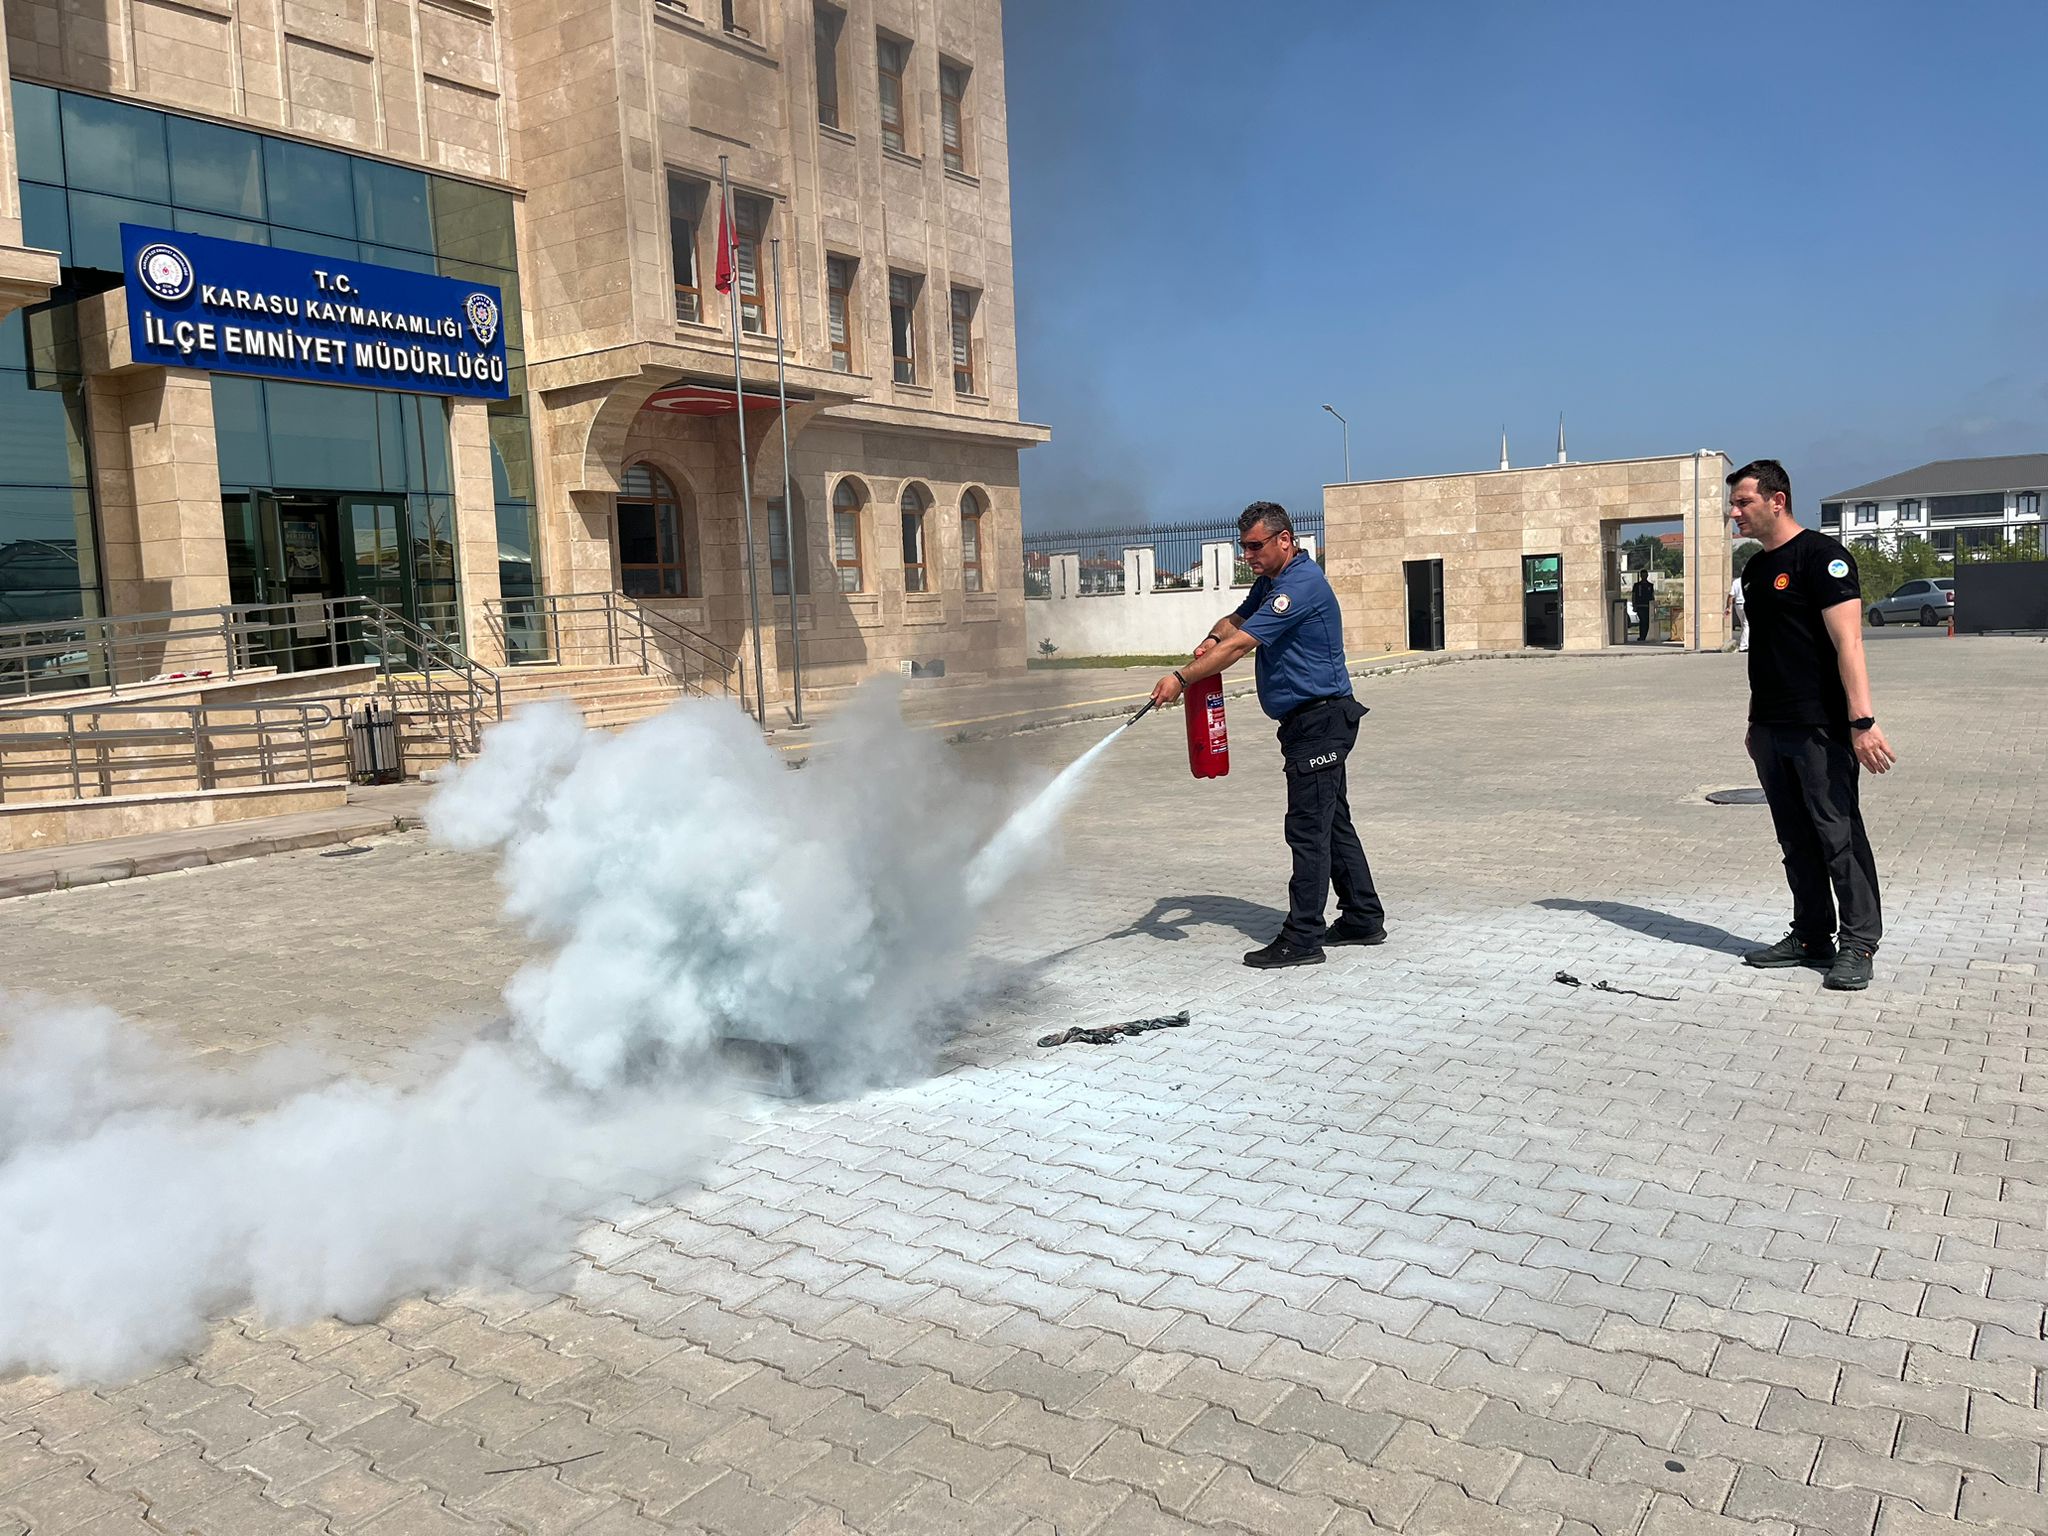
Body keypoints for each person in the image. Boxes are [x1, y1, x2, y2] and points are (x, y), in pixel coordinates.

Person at [1148, 503, 1384, 968]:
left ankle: (1302, 938)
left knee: (1307, 829)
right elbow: (1232, 625)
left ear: (1285, 539)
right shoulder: (1269, 583)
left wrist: (1182, 677)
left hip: (1320, 720)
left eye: (1256, 546)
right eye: (1244, 547)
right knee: (1332, 822)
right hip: (1307, 723)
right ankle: (1361, 916)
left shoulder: (1299, 586)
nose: (1248, 555)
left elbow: (1240, 645)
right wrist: (1210, 641)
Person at [1728, 458, 1896, 991]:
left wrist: (1862, 721)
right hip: (1773, 727)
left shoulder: (1824, 559)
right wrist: (1756, 724)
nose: (1735, 513)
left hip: (1821, 727)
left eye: (1743, 502)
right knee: (1795, 838)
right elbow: (1769, 654)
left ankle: (1859, 942)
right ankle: (1811, 936)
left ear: (1777, 500)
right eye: (1734, 504)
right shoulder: (1755, 570)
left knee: (1837, 835)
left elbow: (1850, 643)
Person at [1726, 570, 1750, 652]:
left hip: (1738, 605)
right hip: (1747, 603)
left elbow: (1731, 595)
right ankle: (1744, 646)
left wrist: (1728, 607)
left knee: (1744, 625)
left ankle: (1745, 643)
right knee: (1746, 624)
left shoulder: (1736, 582)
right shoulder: (1750, 580)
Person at [1631, 570, 1656, 643]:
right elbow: (1634, 595)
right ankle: (1642, 636)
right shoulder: (1637, 585)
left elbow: (1652, 596)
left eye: (1645, 575)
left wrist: (1653, 605)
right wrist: (1634, 605)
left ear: (1647, 576)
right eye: (1642, 575)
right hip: (1640, 605)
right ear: (1640, 576)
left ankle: (1644, 635)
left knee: (1647, 621)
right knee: (1642, 621)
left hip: (1648, 606)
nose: (1644, 577)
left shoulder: (1650, 585)